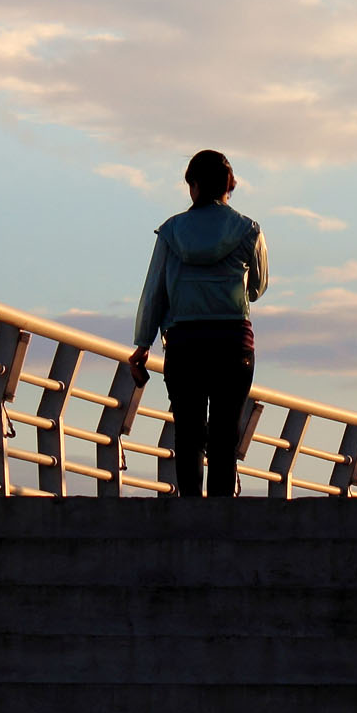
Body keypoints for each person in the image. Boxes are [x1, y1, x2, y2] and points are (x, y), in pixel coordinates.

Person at [129, 150, 271, 497]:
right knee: (224, 434)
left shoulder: (171, 231)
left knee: (189, 431)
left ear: (192, 186)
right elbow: (258, 286)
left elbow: (154, 292)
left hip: (185, 342)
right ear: (230, 186)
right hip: (233, 340)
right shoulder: (248, 229)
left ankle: (190, 509)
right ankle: (222, 513)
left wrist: (142, 344)